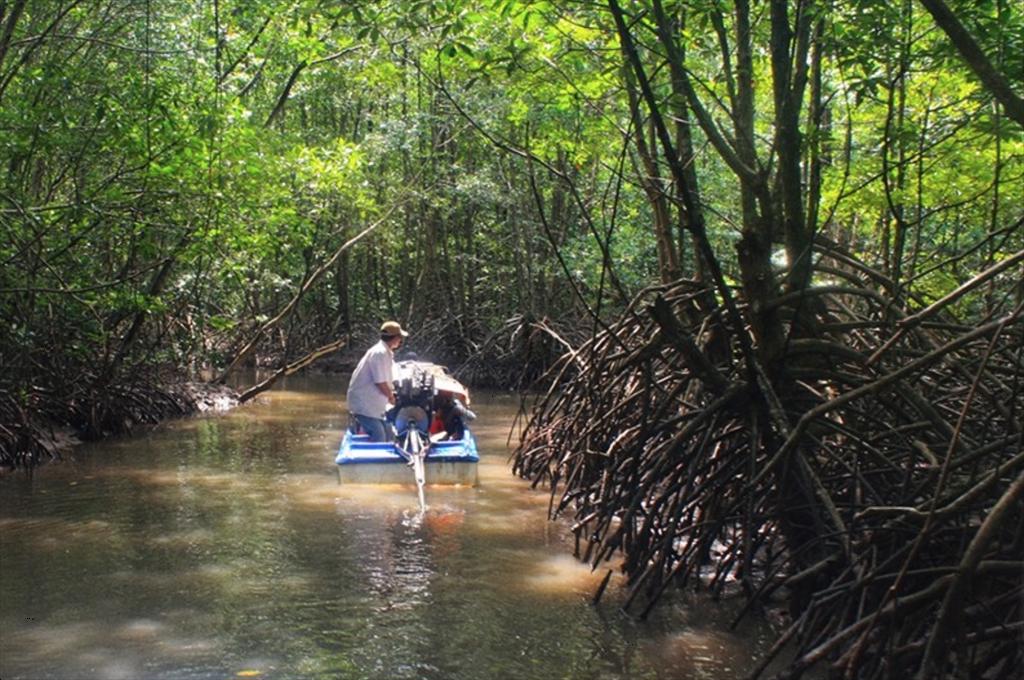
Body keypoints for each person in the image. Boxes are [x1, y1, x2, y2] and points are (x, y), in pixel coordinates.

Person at [346, 321, 408, 442]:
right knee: (379, 436)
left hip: (375, 405)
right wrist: (391, 397)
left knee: (390, 435)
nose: (400, 341)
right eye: (400, 338)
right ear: (394, 338)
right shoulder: (379, 353)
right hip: (364, 404)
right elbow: (380, 382)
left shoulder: (386, 352)